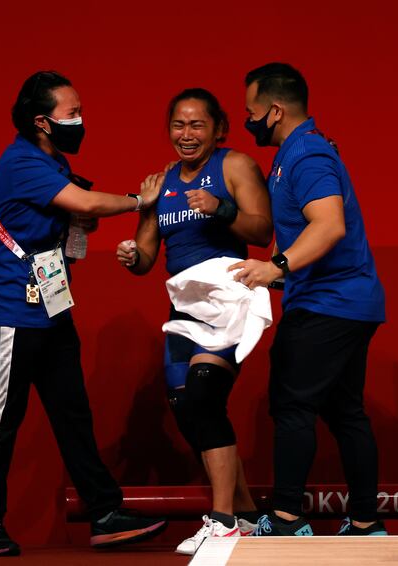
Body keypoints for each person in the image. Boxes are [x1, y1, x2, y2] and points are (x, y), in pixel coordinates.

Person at [0, 70, 166, 557]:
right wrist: (140, 201)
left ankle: (103, 512)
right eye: (71, 114)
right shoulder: (20, 162)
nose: (80, 121)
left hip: (51, 310)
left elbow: (73, 223)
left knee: (73, 413)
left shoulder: (52, 163)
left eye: (80, 112)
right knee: (3, 418)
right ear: (41, 121)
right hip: (9, 309)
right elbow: (89, 203)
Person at [230, 62, 388, 537]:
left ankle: (285, 519)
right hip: (343, 301)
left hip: (329, 304)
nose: (248, 121)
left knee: (292, 404)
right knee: (344, 411)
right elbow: (307, 232)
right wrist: (265, 278)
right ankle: (364, 521)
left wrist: (274, 266)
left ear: (274, 111)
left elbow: (329, 225)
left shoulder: (307, 156)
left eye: (251, 112)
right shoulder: (293, 155)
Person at [115, 88, 272, 555]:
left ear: (218, 129)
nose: (186, 134)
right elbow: (146, 256)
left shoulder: (234, 166)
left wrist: (221, 210)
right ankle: (244, 514)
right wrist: (130, 254)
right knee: (187, 405)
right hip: (184, 306)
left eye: (197, 125)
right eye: (178, 126)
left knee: (204, 393)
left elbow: (263, 230)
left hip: (226, 296)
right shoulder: (160, 182)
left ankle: (222, 521)